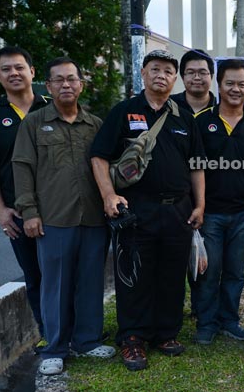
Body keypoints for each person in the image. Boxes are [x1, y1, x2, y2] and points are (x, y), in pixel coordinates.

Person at [90, 49, 205, 371]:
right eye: (155, 69)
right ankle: (133, 339)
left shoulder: (184, 117)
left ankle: (166, 334)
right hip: (136, 210)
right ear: (143, 73)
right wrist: (108, 195)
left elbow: (197, 166)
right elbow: (98, 156)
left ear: (175, 79)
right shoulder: (124, 112)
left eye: (169, 71)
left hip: (178, 211)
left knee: (171, 275)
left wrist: (200, 205)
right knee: (134, 276)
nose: (162, 76)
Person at [12, 57, 114, 375]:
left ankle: (87, 341)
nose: (66, 84)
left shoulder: (96, 124)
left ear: (81, 85)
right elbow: (22, 168)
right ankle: (55, 348)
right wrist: (29, 212)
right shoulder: (34, 123)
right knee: (54, 285)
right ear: (49, 85)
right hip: (54, 218)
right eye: (59, 80)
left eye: (72, 79)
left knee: (90, 282)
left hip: (95, 218)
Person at [0, 46, 49, 346]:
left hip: (59, 206)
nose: (14, 73)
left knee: (68, 273)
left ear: (32, 71)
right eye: (6, 69)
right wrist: (0, 209)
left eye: (19, 67)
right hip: (18, 211)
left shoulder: (52, 106)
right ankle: (48, 333)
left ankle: (77, 331)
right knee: (35, 275)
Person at [192, 59, 244, 345]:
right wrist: (198, 205)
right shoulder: (202, 121)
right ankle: (206, 323)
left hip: (241, 213)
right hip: (210, 212)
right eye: (230, 83)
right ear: (219, 85)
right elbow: (195, 166)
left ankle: (229, 321)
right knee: (209, 272)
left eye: (242, 84)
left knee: (235, 272)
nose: (236, 89)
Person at [171, 49, 216, 114]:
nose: (197, 77)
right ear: (182, 77)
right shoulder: (169, 104)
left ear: (211, 76)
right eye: (191, 72)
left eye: (202, 72)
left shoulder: (221, 105)